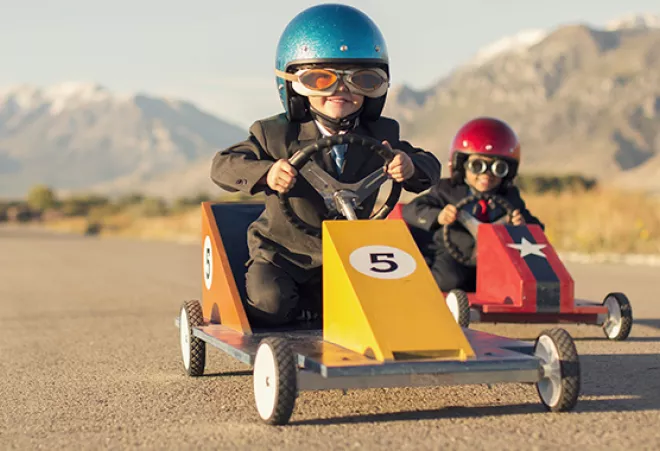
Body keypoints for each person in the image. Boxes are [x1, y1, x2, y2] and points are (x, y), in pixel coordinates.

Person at [210, 4, 441, 326]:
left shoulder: (382, 134)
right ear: (294, 85)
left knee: (391, 306)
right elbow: (224, 165)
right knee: (270, 304)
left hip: (351, 256)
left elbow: (429, 164)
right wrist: (267, 172)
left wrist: (410, 166)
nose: (341, 90)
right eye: (321, 79)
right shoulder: (274, 133)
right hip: (284, 255)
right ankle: (291, 309)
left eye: (362, 79)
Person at [402, 117, 543, 292]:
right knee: (449, 281)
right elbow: (411, 210)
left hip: (494, 262)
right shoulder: (446, 190)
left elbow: (539, 231)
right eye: (477, 166)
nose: (486, 175)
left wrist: (522, 225)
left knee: (515, 284)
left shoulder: (510, 198)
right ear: (462, 166)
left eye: (498, 168)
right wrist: (439, 216)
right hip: (452, 255)